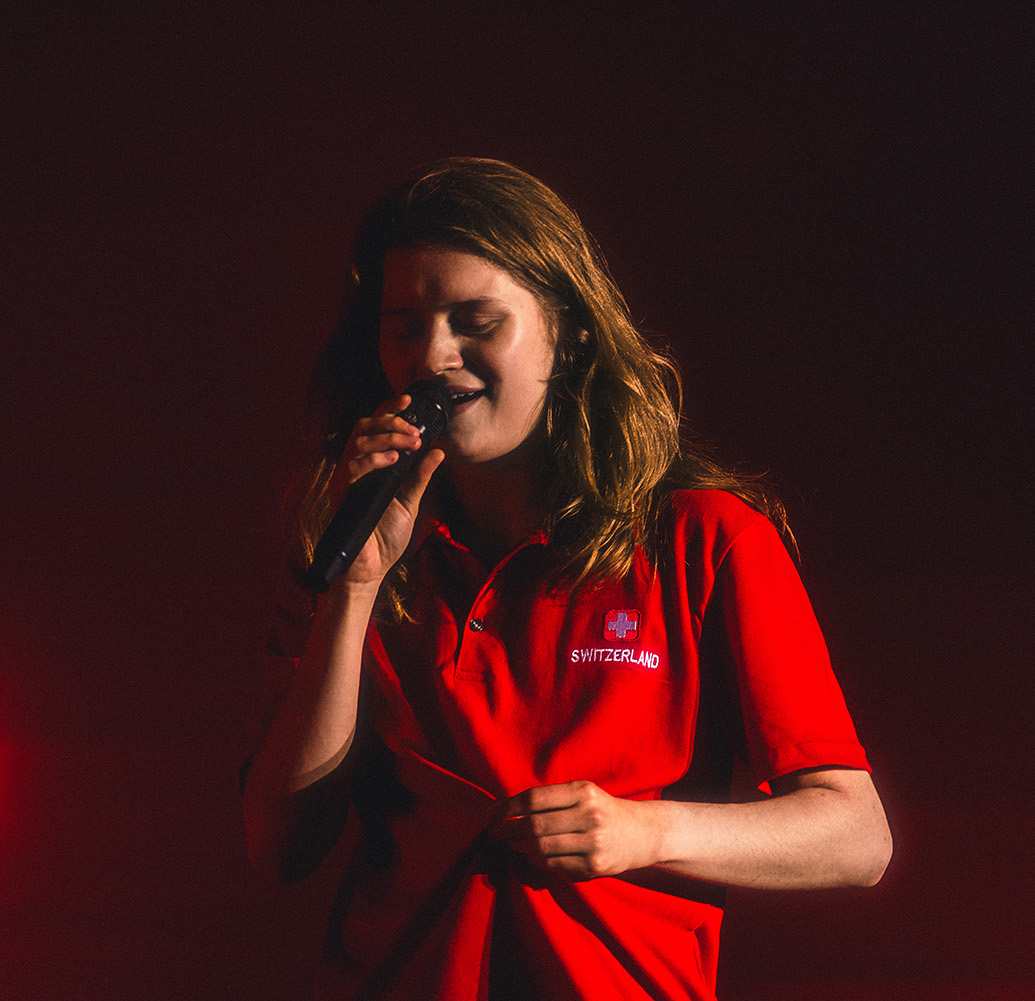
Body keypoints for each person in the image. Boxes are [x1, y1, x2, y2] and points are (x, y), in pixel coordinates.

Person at [242, 158, 891, 1000]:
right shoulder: (349, 544)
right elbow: (280, 845)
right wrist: (355, 589)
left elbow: (857, 836)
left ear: (569, 331)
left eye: (475, 320)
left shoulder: (704, 539)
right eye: (404, 326)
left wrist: (640, 830)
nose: (433, 356)